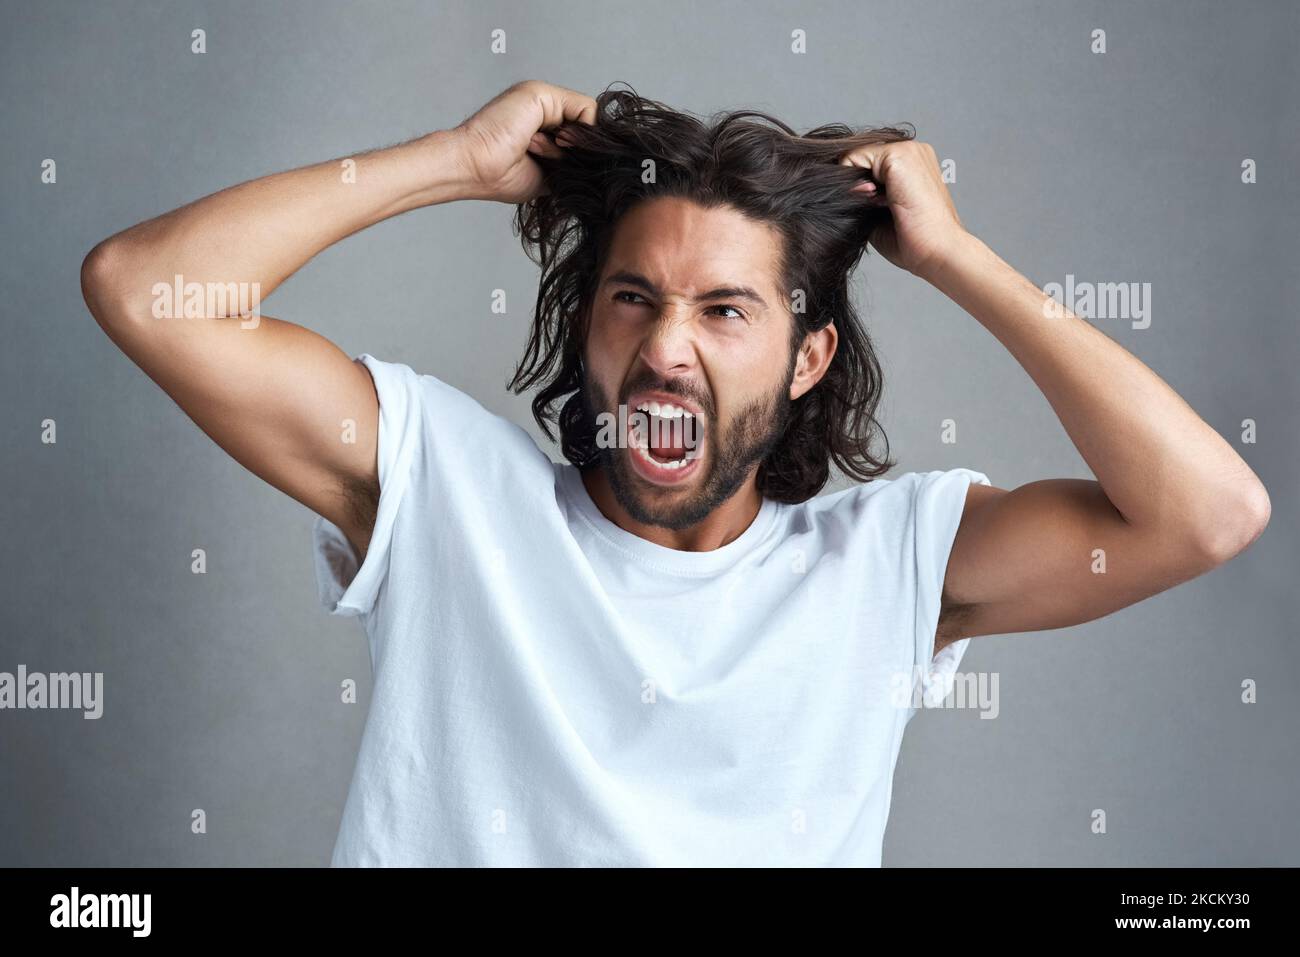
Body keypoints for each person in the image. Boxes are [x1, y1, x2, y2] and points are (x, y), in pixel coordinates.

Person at [79, 80, 1270, 866]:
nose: (664, 346)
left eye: (724, 310)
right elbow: (145, 291)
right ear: (586, 324)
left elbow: (1207, 513)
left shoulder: (887, 566)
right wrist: (447, 162)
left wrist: (954, 257)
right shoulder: (446, 492)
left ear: (809, 357)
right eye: (633, 298)